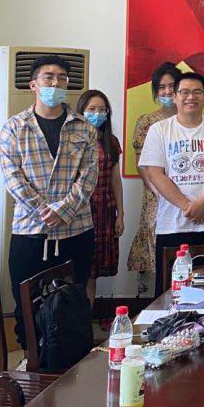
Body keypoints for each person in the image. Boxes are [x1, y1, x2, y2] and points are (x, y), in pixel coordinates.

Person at [0, 55, 98, 347]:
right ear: (33, 85)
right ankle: (31, 357)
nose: (55, 83)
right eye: (49, 77)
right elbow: (13, 179)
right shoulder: (14, 127)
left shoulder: (84, 128)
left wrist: (63, 211)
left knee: (73, 302)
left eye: (62, 78)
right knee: (26, 304)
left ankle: (72, 363)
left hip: (76, 230)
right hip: (30, 230)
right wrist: (45, 211)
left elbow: (89, 177)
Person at [138, 71, 204, 295]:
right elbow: (155, 173)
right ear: (175, 96)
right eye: (184, 92)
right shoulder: (159, 130)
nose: (190, 97)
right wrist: (188, 206)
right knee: (170, 292)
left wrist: (201, 204)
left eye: (197, 92)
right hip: (173, 224)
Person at [127, 62, 181, 289]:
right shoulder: (146, 122)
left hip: (188, 195)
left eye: (172, 86)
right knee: (159, 250)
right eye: (161, 87)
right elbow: (143, 164)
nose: (167, 92)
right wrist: (160, 192)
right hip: (156, 195)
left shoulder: (195, 119)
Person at [76, 89, 124, 303]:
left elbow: (116, 180)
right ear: (81, 111)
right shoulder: (71, 139)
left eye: (102, 110)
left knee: (92, 272)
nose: (97, 114)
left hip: (104, 211)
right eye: (92, 109)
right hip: (77, 211)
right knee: (75, 269)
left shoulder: (110, 141)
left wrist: (121, 214)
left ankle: (86, 317)